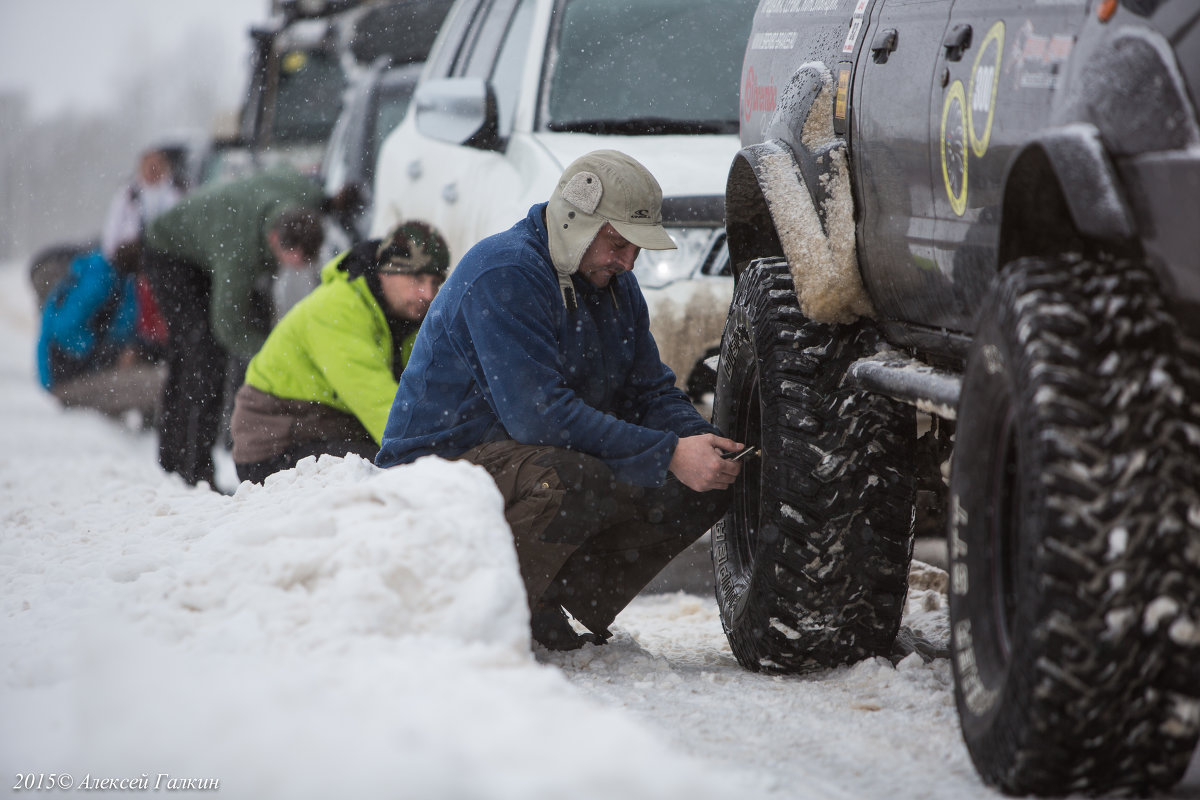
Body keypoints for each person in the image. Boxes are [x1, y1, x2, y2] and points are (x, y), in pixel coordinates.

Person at [374, 150, 744, 651]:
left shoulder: (616, 285)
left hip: (523, 455)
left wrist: (697, 440)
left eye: (636, 249)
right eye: (618, 244)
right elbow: (538, 417)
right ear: (575, 221)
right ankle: (482, 614)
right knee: (571, 475)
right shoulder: (505, 272)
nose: (628, 261)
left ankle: (551, 596)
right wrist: (668, 453)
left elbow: (648, 390)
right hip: (436, 468)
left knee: (711, 477)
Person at [141, 164, 361, 487]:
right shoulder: (238, 252)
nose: (298, 270)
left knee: (222, 340)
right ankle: (189, 468)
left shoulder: (302, 199)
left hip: (209, 240)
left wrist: (335, 202)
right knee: (202, 354)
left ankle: (179, 460)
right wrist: (275, 351)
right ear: (274, 239)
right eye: (294, 261)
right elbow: (227, 326)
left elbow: (312, 191)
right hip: (170, 252)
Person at [230, 221, 449, 484]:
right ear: (385, 273)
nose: (428, 293)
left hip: (328, 429)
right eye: (417, 278)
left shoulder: (403, 319)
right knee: (386, 475)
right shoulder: (338, 310)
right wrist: (446, 462)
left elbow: (432, 389)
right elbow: (383, 411)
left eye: (436, 281)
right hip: (275, 446)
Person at [35, 248, 165, 422]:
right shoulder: (101, 274)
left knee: (163, 378)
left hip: (90, 372)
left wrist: (142, 349)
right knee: (164, 385)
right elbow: (65, 331)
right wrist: (114, 354)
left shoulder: (125, 279)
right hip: (68, 380)